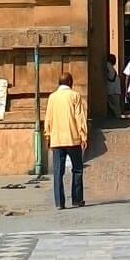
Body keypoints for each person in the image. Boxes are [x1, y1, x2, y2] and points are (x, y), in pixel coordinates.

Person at [44, 73, 88, 210]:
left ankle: (59, 202)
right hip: (72, 138)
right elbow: (80, 117)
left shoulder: (52, 98)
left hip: (57, 140)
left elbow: (48, 118)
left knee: (58, 171)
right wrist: (84, 136)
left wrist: (48, 135)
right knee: (77, 169)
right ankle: (77, 199)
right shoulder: (75, 96)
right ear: (70, 82)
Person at [105, 54, 121, 119]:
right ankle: (117, 118)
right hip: (113, 90)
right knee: (115, 105)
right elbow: (111, 77)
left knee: (115, 105)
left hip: (114, 89)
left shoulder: (110, 66)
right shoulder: (108, 65)